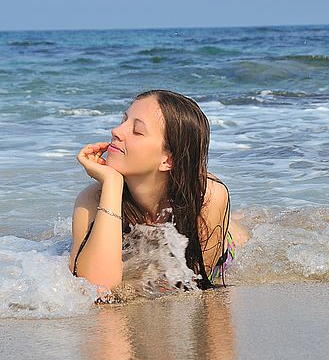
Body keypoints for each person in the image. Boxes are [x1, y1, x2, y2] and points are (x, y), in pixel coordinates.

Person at [68, 89, 248, 294]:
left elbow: (196, 284)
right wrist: (112, 183)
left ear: (167, 160)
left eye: (136, 130)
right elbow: (96, 287)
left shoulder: (208, 197)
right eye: (123, 120)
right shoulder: (91, 199)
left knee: (240, 227)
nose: (116, 131)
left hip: (226, 243)